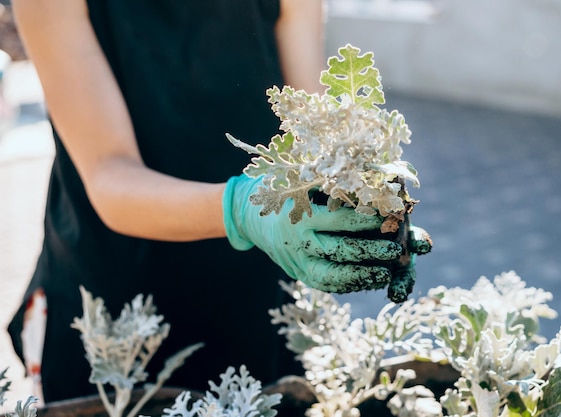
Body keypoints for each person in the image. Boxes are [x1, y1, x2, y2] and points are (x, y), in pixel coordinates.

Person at [7, 0, 425, 404]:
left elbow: (314, 131)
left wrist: (369, 206)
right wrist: (241, 210)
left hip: (256, 294)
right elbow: (110, 175)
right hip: (115, 302)